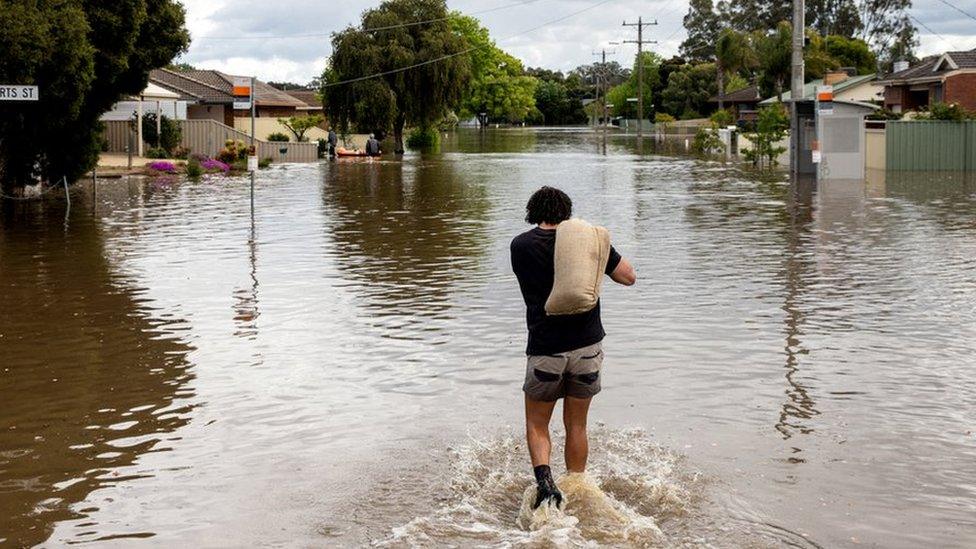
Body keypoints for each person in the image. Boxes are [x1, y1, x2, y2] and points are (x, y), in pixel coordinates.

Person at [510, 186, 636, 510]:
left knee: (538, 424)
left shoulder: (521, 245)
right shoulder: (590, 242)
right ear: (567, 213)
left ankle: (546, 485)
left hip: (545, 350)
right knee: (577, 425)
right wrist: (598, 255)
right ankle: (578, 487)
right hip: (587, 349)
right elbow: (628, 277)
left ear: (532, 212)